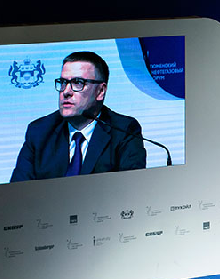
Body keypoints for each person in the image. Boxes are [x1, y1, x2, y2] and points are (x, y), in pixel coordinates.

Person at [10, 51, 146, 182]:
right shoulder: (40, 131)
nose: (66, 91)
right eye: (63, 82)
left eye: (78, 82)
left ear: (100, 91)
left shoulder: (124, 131)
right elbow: (18, 191)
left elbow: (130, 189)